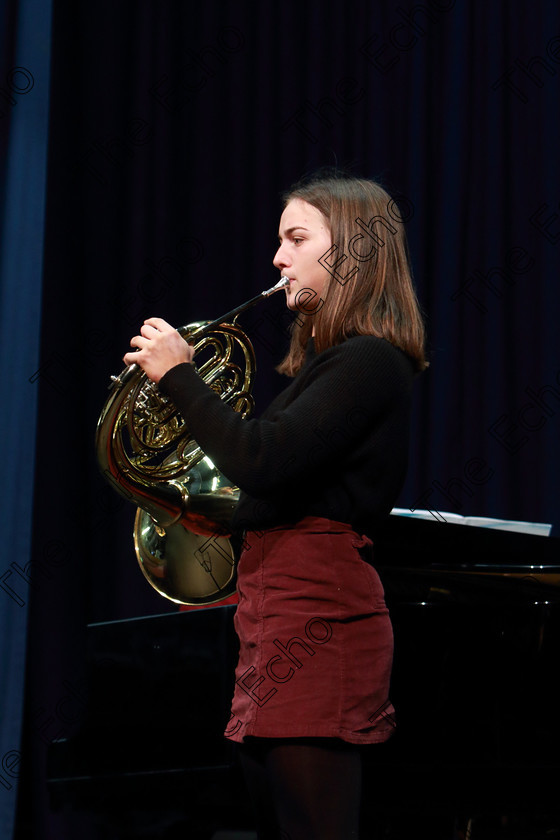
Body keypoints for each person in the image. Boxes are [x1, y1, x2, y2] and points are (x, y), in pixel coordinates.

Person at [124, 171, 427, 840]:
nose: (277, 258)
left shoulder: (371, 361)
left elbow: (260, 459)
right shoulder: (324, 368)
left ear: (350, 251)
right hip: (274, 610)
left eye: (296, 238)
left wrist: (178, 375)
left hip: (318, 614)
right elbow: (262, 480)